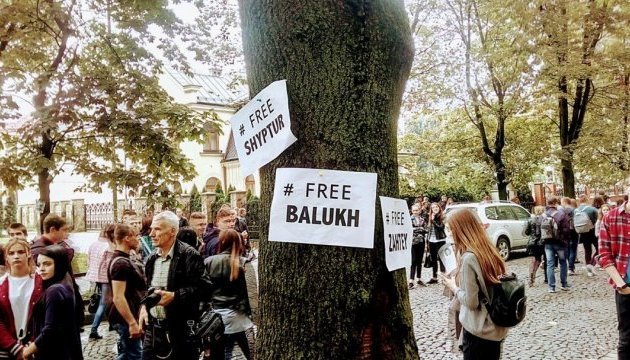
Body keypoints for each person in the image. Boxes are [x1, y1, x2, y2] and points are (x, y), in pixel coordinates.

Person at [139, 211, 209, 360]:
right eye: (152, 229)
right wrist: (144, 308)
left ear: (172, 231)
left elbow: (205, 289)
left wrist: (175, 296)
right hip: (153, 330)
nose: (151, 234)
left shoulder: (188, 255)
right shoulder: (152, 258)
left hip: (180, 331)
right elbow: (149, 289)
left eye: (157, 229)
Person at [440, 209, 508, 359]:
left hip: (478, 330)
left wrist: (454, 287)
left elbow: (471, 302)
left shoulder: (469, 258)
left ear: (462, 229)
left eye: (451, 229)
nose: (449, 233)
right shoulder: (488, 250)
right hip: (494, 328)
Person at [23, 245, 83, 360]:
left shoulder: (54, 290)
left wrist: (28, 351)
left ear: (59, 264)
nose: (41, 269)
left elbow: (50, 329)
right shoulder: (65, 282)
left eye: (47, 264)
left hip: (55, 353)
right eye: (39, 264)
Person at [205, 229, 254, 360]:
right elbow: (251, 292)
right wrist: (253, 314)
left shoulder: (208, 262)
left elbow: (204, 290)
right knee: (246, 349)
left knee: (221, 351)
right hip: (238, 315)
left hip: (216, 315)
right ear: (239, 243)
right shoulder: (243, 263)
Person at [598, 190, 630, 359]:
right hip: (625, 285)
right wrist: (621, 284)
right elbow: (604, 254)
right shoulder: (611, 218)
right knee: (626, 338)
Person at [0, 239, 43, 359]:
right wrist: (17, 349)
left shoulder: (41, 281)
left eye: (20, 252)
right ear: (6, 257)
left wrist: (32, 346)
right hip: (7, 349)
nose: (16, 256)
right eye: (11, 253)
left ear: (28, 253)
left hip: (36, 346)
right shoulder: (1, 284)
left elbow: (46, 317)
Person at [109, 223, 147, 360]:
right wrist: (132, 322)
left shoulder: (125, 259)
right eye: (136, 236)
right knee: (134, 354)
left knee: (128, 353)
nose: (139, 239)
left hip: (130, 313)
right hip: (125, 317)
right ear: (127, 238)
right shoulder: (120, 264)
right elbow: (118, 297)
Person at [85, 224, 115, 340]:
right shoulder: (108, 247)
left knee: (108, 301)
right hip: (106, 278)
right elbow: (110, 265)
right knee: (104, 303)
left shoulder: (94, 244)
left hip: (95, 277)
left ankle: (111, 324)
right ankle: (94, 329)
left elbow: (89, 260)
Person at [544, 197, 572, 293]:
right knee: (563, 262)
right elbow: (567, 229)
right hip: (560, 243)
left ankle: (551, 287)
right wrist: (566, 239)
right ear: (556, 203)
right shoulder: (561, 214)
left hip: (547, 243)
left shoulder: (543, 215)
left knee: (550, 264)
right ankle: (564, 284)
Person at [575, 195, 598, 276]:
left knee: (587, 250)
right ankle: (591, 264)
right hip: (593, 232)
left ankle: (588, 269)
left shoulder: (576, 210)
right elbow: (597, 220)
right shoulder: (592, 209)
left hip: (583, 233)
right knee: (599, 249)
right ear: (587, 200)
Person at [524, 206, 547, 286]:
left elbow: (526, 232)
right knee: (541, 260)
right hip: (542, 242)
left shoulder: (530, 220)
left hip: (532, 242)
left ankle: (531, 276)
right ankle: (537, 276)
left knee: (534, 259)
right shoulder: (544, 219)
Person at [427, 203, 447, 284]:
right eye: (433, 207)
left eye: (436, 207)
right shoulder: (430, 217)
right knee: (433, 259)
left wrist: (433, 220)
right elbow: (428, 229)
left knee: (442, 258)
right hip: (431, 240)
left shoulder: (442, 216)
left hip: (440, 240)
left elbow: (441, 227)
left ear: (439, 207)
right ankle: (434, 277)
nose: (435, 208)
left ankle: (443, 277)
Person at [409, 204, 428, 288]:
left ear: (419, 211)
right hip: (412, 242)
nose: (415, 212)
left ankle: (418, 278)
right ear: (412, 211)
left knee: (419, 261)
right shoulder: (409, 219)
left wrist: (419, 229)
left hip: (421, 241)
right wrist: (420, 229)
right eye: (414, 210)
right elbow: (409, 229)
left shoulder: (422, 219)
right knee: (413, 261)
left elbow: (426, 229)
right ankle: (411, 280)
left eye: (417, 210)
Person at [561, 197, 579, 275]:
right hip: (573, 231)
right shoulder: (574, 210)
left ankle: (570, 266)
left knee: (568, 249)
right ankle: (571, 267)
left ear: (564, 202)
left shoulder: (561, 210)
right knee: (573, 249)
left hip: (565, 231)